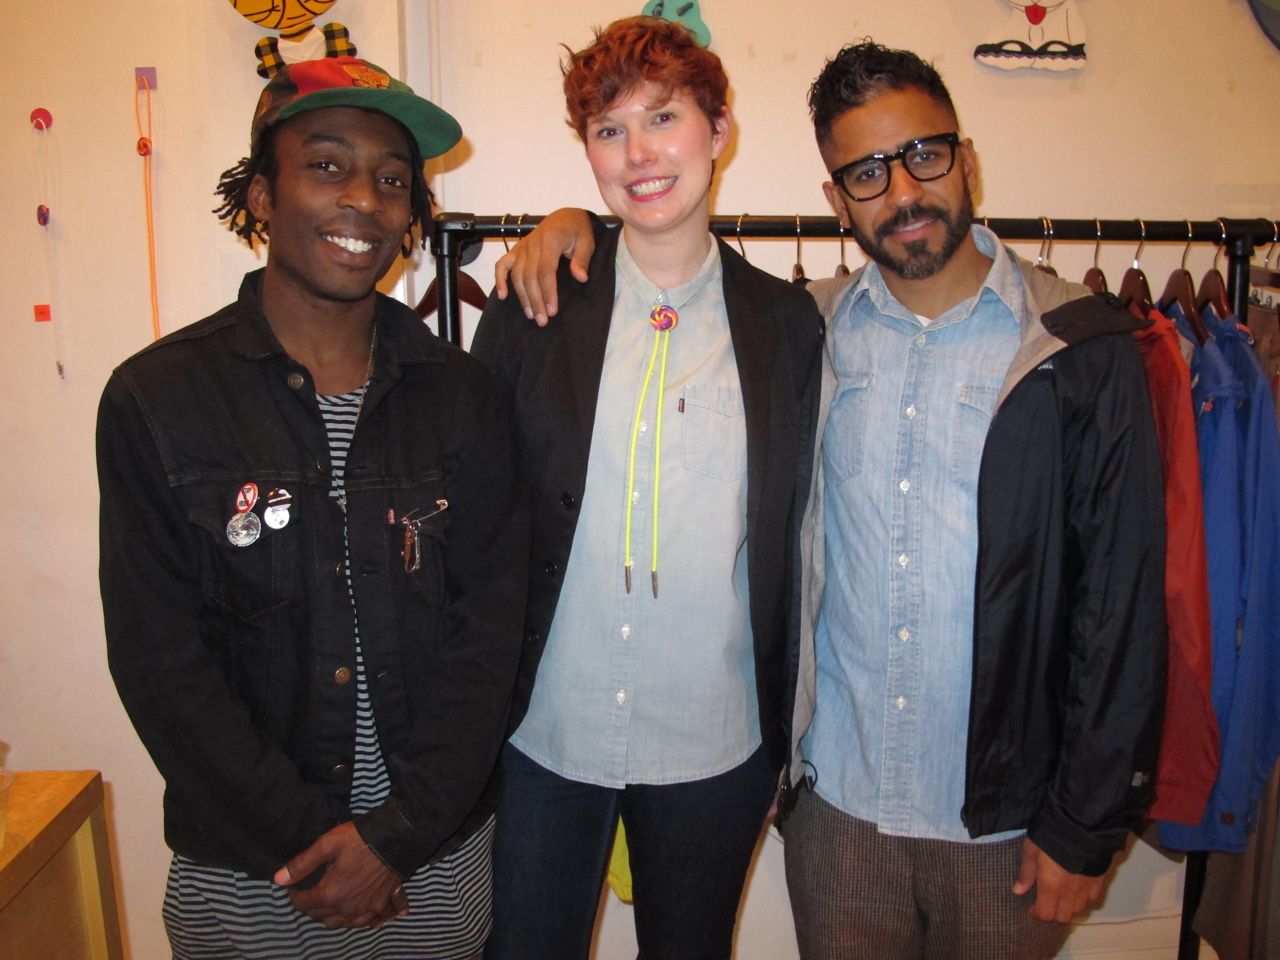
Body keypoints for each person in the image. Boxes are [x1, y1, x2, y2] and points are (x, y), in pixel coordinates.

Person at [491, 39, 1167, 960]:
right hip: (814, 800)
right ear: (837, 198)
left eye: (924, 155)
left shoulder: (1053, 349)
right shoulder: (811, 324)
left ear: (966, 160)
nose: (902, 190)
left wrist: (1088, 818)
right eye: (866, 172)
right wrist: (568, 223)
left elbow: (1122, 600)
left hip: (977, 813)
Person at [97, 57, 526, 959]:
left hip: (432, 865)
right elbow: (159, 659)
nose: (364, 198)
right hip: (251, 873)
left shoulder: (467, 400)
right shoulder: (158, 400)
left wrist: (393, 839)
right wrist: (310, 843)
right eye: (327, 165)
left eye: (393, 179)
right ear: (261, 194)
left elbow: (492, 640)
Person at [469, 17, 823, 960]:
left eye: (664, 117)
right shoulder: (535, 306)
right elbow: (480, 522)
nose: (639, 154)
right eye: (609, 129)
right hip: (546, 729)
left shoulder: (787, 323)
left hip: (713, 736)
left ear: (719, 129)